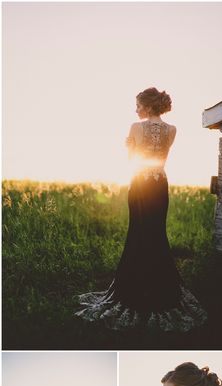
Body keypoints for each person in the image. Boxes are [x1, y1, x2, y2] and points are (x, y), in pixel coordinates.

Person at [75, 87, 207, 332]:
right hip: (159, 184)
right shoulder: (172, 130)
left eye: (138, 105)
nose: (135, 110)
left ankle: (135, 286)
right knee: (157, 234)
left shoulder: (136, 128)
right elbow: (160, 157)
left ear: (147, 106)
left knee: (137, 233)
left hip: (140, 184)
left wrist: (128, 148)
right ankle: (159, 283)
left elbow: (132, 161)